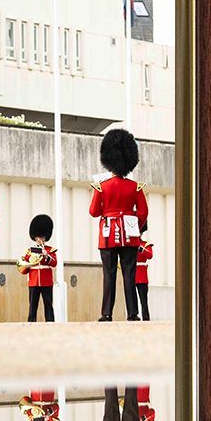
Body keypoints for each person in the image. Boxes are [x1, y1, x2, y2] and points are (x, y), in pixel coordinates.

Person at [89, 128, 149, 321]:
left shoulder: (102, 187)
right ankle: (133, 313)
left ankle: (106, 313)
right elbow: (143, 212)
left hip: (107, 235)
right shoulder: (135, 187)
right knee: (129, 275)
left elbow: (94, 212)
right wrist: (134, 227)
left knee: (109, 275)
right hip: (130, 236)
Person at [17, 214, 58, 322]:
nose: (41, 239)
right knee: (33, 305)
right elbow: (24, 269)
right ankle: (31, 321)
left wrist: (46, 256)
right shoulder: (29, 251)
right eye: (39, 237)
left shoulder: (50, 250)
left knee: (48, 304)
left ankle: (50, 321)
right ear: (35, 237)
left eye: (43, 237)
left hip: (46, 281)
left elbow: (54, 263)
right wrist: (28, 263)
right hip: (34, 281)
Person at [136, 229, 154, 321]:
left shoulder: (145, 245)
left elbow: (150, 255)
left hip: (142, 275)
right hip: (131, 274)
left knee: (144, 300)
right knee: (131, 299)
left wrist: (142, 249)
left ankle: (146, 318)